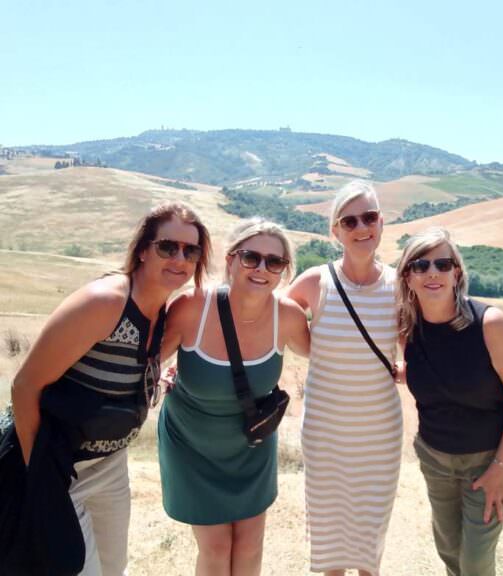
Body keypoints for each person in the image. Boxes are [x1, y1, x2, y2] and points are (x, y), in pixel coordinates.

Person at [10, 202, 211, 576]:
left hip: (110, 466)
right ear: (142, 250)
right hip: (56, 462)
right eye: (168, 247)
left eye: (191, 250)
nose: (180, 258)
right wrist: (36, 471)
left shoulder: (163, 311)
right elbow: (24, 386)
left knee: (111, 567)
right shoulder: (106, 301)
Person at [157, 217, 310, 576]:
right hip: (191, 444)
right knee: (216, 547)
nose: (262, 269)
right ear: (230, 259)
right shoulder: (192, 307)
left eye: (275, 262)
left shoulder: (287, 317)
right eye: (251, 257)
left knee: (250, 545)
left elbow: (332, 352)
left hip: (251, 447)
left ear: (284, 271)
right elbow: (144, 361)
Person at [395, 227, 503, 576]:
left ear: (456, 273)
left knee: (474, 563)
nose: (432, 273)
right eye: (420, 265)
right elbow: (429, 371)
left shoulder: (490, 324)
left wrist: (500, 467)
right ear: (407, 277)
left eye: (443, 264)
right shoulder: (406, 327)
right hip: (435, 459)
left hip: (488, 462)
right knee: (449, 553)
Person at [286, 180, 402, 576]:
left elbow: (419, 345)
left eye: (368, 217)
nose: (360, 227)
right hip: (326, 432)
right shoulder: (314, 282)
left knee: (371, 537)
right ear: (335, 231)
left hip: (379, 432)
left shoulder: (400, 286)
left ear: (381, 223)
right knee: (331, 534)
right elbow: (273, 322)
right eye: (348, 221)